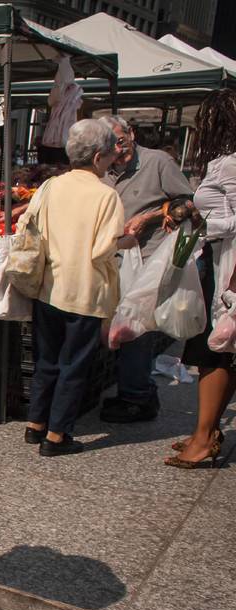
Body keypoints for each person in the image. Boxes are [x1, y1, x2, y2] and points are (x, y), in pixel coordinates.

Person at [25, 119, 135, 457]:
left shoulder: (51, 186)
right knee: (74, 365)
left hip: (48, 286)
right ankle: (56, 436)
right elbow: (103, 249)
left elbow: (29, 226)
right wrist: (127, 241)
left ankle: (35, 424)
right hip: (85, 292)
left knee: (46, 360)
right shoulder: (106, 195)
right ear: (99, 156)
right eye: (111, 154)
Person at [100, 114, 195, 424]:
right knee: (119, 327)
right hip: (113, 258)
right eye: (111, 145)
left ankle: (136, 396)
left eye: (121, 140)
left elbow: (187, 204)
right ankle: (136, 389)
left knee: (136, 327)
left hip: (147, 258)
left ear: (131, 133)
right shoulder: (102, 168)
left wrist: (150, 217)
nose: (118, 149)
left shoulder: (158, 162)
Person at [169, 89, 236, 469]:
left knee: (211, 351)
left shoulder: (231, 164)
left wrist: (204, 225)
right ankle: (206, 432)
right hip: (218, 259)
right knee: (220, 349)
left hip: (227, 266)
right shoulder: (223, 162)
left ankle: (203, 437)